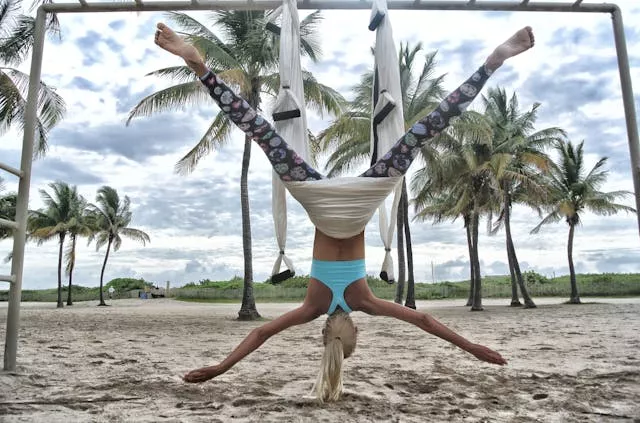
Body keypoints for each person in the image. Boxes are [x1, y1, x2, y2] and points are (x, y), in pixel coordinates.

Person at [154, 22, 534, 401]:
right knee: (258, 129)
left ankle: (492, 63)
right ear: (323, 333)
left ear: (355, 327)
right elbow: (260, 334)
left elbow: (424, 321)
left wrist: (474, 349)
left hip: (364, 199)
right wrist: (220, 367)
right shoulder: (312, 306)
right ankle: (201, 68)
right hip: (315, 197)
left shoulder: (365, 301)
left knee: (427, 128)